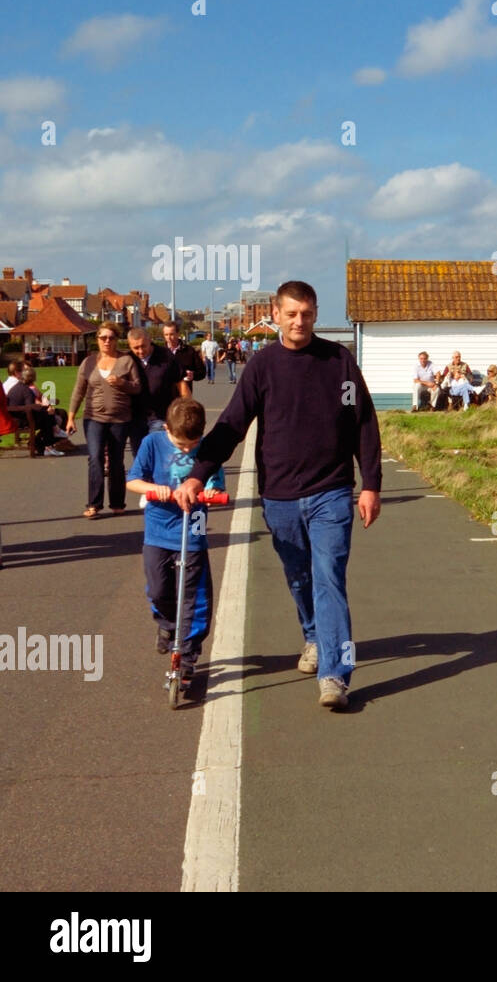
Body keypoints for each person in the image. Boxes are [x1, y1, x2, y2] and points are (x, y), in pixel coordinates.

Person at [174, 280, 382, 711]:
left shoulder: (338, 362)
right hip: (280, 494)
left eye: (307, 314)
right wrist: (198, 474)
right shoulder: (262, 367)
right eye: (291, 314)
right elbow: (231, 424)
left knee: (329, 578)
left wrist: (371, 484)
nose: (300, 322)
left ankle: (335, 674)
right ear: (276, 314)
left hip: (332, 491)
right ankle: (312, 636)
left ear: (315, 313)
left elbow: (363, 423)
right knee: (300, 576)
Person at [126, 399, 227, 694]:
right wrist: (153, 489)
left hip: (192, 531)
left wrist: (212, 492)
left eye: (192, 444)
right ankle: (167, 623)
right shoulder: (153, 443)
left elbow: (216, 485)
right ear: (167, 428)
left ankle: (185, 658)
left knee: (193, 598)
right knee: (159, 589)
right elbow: (133, 480)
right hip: (158, 531)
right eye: (181, 444)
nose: (187, 450)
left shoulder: (207, 448)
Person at [66, 323, 143, 518]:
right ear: (98, 340)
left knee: (116, 461)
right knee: (95, 458)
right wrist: (70, 416)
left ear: (117, 340)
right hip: (93, 417)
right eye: (103, 337)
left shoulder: (126, 361)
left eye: (111, 338)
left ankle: (117, 503)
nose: (107, 341)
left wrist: (121, 383)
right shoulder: (89, 362)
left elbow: (137, 388)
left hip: (120, 418)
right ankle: (94, 504)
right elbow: (79, 390)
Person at [127, 327, 191, 456]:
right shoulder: (128, 359)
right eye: (136, 348)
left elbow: (182, 385)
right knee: (140, 456)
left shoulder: (166, 356)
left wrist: (185, 414)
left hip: (161, 416)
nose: (140, 351)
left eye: (143, 346)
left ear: (150, 340)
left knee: (157, 454)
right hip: (136, 417)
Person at [7, 365, 62, 456]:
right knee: (48, 417)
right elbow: (30, 408)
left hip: (15, 417)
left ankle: (49, 444)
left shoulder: (17, 387)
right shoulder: (27, 391)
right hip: (21, 420)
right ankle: (50, 442)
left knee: (48, 415)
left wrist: (44, 407)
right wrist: (44, 408)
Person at [161, 321, 206, 386]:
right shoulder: (160, 352)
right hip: (165, 393)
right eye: (166, 335)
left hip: (184, 393)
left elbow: (202, 372)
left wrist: (193, 375)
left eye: (171, 334)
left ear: (178, 334)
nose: (169, 337)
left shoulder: (189, 351)